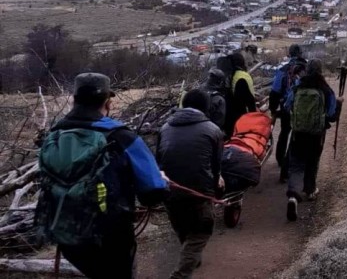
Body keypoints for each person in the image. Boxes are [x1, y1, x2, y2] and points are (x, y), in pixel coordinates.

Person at [35, 73, 168, 279]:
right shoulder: (123, 137)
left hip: (67, 236)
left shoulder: (53, 136)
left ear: (74, 100)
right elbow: (153, 193)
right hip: (111, 238)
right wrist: (161, 180)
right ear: (108, 103)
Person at [158, 89, 224, 279]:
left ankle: (192, 257)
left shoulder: (165, 128)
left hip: (169, 191)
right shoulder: (213, 130)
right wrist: (216, 189)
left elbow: (159, 162)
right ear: (206, 107)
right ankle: (181, 274)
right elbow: (216, 166)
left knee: (184, 229)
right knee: (201, 232)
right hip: (198, 192)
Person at [284, 59, 343, 222]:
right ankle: (310, 190)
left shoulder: (297, 86)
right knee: (312, 161)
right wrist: (338, 104)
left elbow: (287, 107)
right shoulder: (325, 89)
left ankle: (293, 196)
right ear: (320, 70)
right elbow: (331, 115)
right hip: (316, 135)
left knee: (296, 165)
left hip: (298, 133)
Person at [269, 44, 307, 182]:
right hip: (304, 108)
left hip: (286, 106)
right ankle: (297, 163)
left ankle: (280, 159)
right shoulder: (308, 68)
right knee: (299, 136)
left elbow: (275, 90)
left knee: (284, 132)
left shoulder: (283, 69)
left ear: (290, 54)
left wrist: (273, 109)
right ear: (301, 53)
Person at [225, 52, 257, 136]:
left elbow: (240, 102)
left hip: (233, 119)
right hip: (241, 117)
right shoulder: (242, 76)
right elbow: (250, 101)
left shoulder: (234, 77)